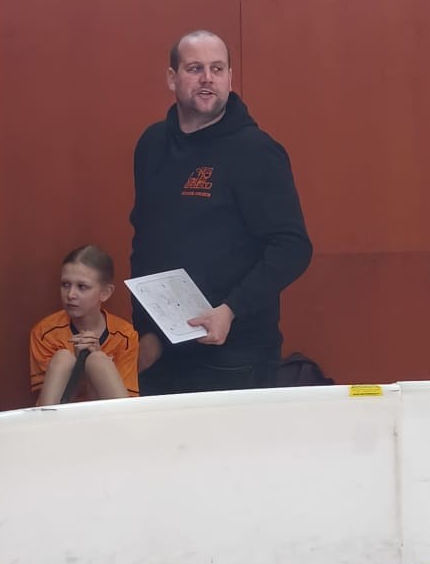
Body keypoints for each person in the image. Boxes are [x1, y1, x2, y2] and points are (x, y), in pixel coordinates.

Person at [128, 30, 312, 394]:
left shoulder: (256, 151)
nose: (207, 78)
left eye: (217, 69)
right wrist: (145, 330)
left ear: (230, 77)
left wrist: (230, 309)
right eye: (195, 68)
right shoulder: (151, 145)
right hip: (163, 352)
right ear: (172, 78)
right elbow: (144, 242)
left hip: (235, 353)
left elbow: (292, 247)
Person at [28, 245, 139, 406]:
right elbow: (46, 395)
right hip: (61, 411)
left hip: (108, 414)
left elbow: (127, 397)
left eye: (82, 287)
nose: (70, 295)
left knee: (97, 360)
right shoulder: (45, 333)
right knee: (63, 358)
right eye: (65, 284)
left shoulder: (126, 335)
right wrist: (77, 365)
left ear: (105, 293)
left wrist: (93, 361)